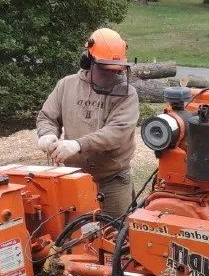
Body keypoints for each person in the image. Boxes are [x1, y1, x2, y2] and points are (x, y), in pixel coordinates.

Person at [36, 28, 140, 217]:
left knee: (117, 237)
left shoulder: (127, 94)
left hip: (112, 180)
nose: (112, 75)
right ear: (88, 61)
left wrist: (78, 144)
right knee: (75, 235)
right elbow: (47, 117)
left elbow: (116, 133)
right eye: (105, 69)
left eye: (116, 70)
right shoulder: (66, 85)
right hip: (73, 177)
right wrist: (47, 134)